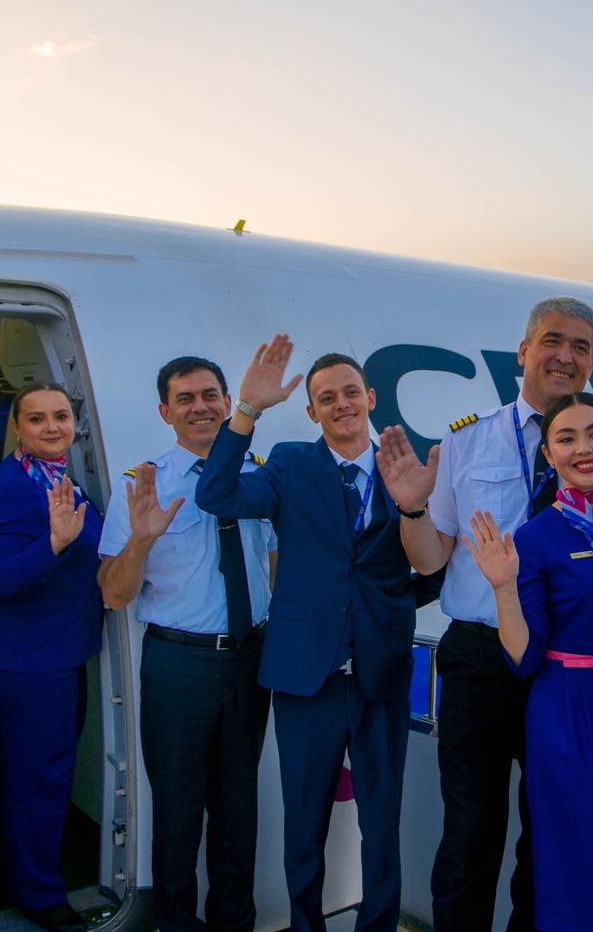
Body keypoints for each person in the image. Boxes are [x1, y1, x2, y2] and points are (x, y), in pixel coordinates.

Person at [375, 295, 593, 931]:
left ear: (592, 362)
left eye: (581, 347)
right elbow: (430, 558)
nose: (565, 356)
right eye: (553, 341)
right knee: (470, 831)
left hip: (568, 673)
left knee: (552, 835)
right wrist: (412, 509)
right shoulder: (468, 440)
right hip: (482, 659)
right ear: (523, 351)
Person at [195, 337, 422, 932]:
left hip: (380, 672)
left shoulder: (403, 467)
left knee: (382, 824)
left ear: (370, 397)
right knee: (304, 823)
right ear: (311, 410)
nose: (341, 404)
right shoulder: (291, 463)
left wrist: (387, 608)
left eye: (350, 392)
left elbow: (432, 563)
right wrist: (247, 410)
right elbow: (216, 494)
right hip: (305, 676)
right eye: (327, 398)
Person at [462, 393, 593, 932]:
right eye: (567, 438)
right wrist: (503, 587)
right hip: (569, 714)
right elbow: (523, 656)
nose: (584, 448)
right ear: (550, 454)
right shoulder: (536, 537)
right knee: (575, 853)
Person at [96, 356, 276, 932]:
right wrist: (141, 542)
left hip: (249, 661)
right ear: (165, 412)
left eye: (210, 395)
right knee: (176, 812)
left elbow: (274, 566)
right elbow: (114, 594)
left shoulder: (260, 476)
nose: (200, 407)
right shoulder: (140, 485)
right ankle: (174, 924)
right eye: (185, 398)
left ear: (227, 402)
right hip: (179, 665)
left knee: (238, 811)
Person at [0, 382, 102, 932]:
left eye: (61, 416)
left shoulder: (52, 476)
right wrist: (54, 545)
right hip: (31, 661)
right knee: (44, 779)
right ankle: (39, 894)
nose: (52, 427)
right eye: (37, 418)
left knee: (25, 767)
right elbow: (1, 579)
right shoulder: (16, 487)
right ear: (17, 428)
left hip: (48, 652)